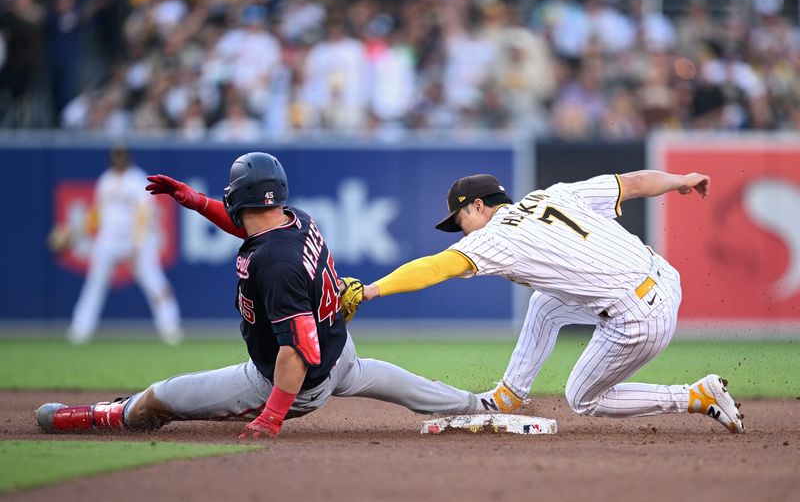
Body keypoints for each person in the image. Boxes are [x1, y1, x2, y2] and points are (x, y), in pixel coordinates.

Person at [36, 153, 478, 438]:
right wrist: (197, 202)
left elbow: (298, 347)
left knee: (160, 397)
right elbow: (248, 225)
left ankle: (100, 416)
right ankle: (475, 404)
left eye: (229, 193)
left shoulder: (275, 263)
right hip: (341, 355)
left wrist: (271, 416)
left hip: (290, 380)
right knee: (399, 384)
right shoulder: (297, 218)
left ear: (242, 196)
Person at [356, 171, 745, 433]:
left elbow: (436, 267)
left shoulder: (495, 237)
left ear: (478, 206)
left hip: (639, 317)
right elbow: (635, 182)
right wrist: (682, 180)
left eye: (459, 221)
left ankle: (693, 396)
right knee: (545, 303)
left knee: (583, 398)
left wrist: (374, 290)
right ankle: (509, 395)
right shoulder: (555, 194)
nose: (459, 231)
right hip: (664, 278)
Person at [67, 145, 183, 345]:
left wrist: (138, 242)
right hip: (108, 239)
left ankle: (170, 327)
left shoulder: (137, 179)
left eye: (122, 158)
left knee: (155, 283)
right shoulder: (105, 180)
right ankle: (80, 329)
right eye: (116, 158)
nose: (119, 161)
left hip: (136, 239)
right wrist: (76, 233)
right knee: (94, 284)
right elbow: (97, 214)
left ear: (128, 158)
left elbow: (145, 212)